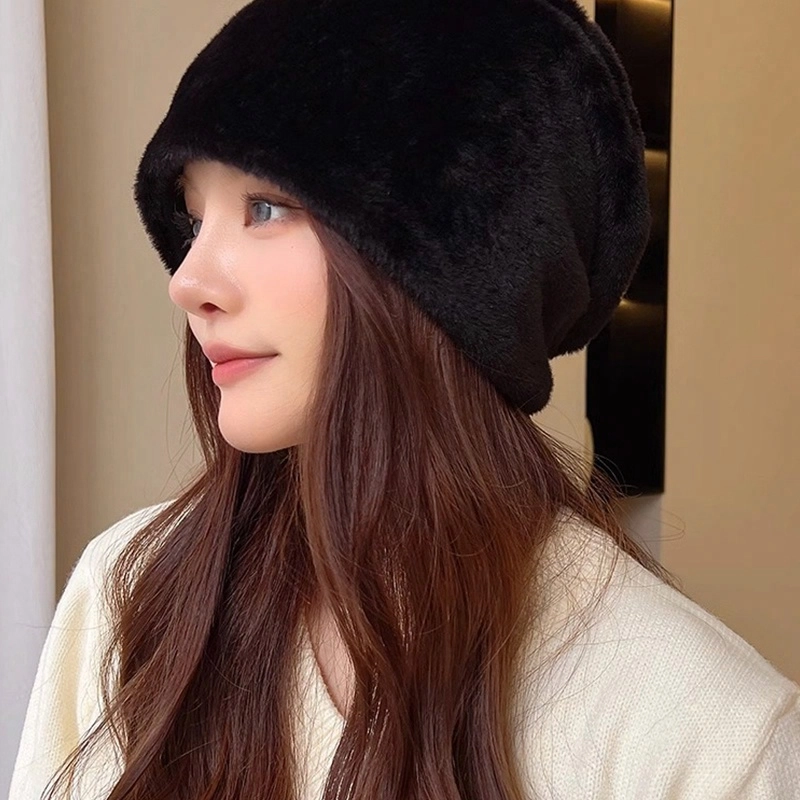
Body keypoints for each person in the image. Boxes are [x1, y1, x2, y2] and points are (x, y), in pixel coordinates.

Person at [10, 0, 800, 798]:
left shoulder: (704, 734)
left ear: (463, 263)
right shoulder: (131, 596)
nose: (187, 281)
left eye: (265, 207)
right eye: (193, 218)